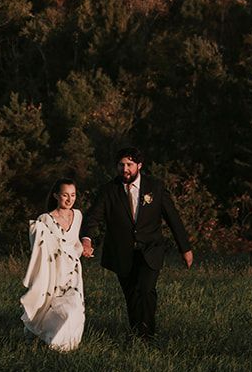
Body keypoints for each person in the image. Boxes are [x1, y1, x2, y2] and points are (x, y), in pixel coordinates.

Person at [79, 146, 192, 341]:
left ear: (139, 165)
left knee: (145, 290)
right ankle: (136, 334)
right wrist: (87, 240)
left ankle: (148, 335)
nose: (125, 169)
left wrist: (185, 248)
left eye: (129, 165)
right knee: (131, 294)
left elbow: (173, 218)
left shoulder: (155, 187)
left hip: (151, 249)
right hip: (122, 252)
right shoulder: (109, 190)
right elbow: (93, 218)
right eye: (121, 165)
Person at [19, 179, 86, 352]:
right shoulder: (45, 219)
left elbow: (75, 242)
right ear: (56, 196)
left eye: (73, 195)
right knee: (50, 304)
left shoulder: (77, 215)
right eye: (65, 195)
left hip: (73, 270)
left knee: (74, 306)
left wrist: (83, 249)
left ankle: (66, 345)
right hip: (54, 270)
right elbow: (38, 245)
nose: (69, 199)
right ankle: (46, 337)